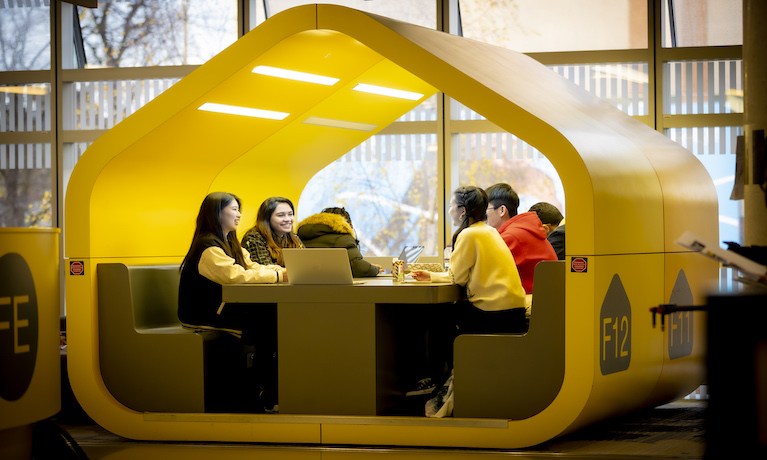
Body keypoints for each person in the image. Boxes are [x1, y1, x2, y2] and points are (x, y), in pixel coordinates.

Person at [409, 186, 527, 397]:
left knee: (435, 318)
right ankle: (449, 376)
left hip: (492, 314)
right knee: (449, 315)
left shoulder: (469, 234)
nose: (449, 211)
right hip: (513, 311)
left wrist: (435, 276)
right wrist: (432, 276)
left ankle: (439, 380)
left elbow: (457, 278)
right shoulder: (489, 231)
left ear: (463, 211)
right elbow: (461, 276)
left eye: (451, 206)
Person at [178, 192, 287, 412]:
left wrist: (282, 271)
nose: (238, 215)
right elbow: (236, 276)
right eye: (234, 209)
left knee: (274, 319)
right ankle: (263, 394)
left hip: (225, 308)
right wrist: (279, 277)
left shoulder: (230, 242)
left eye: (239, 210)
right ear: (217, 213)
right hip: (204, 313)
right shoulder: (208, 246)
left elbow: (252, 267)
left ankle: (267, 391)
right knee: (270, 322)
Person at [484, 183, 557, 294]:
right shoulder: (523, 230)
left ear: (502, 210)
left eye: (485, 209)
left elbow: (486, 274)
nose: (482, 215)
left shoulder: (511, 237)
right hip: (545, 299)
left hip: (531, 302)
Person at [296, 207, 382, 277]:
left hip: (302, 289)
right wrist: (375, 269)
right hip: (335, 291)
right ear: (347, 223)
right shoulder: (343, 237)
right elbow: (359, 268)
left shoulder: (301, 236)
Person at [241, 196, 303, 267]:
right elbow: (265, 271)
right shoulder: (253, 237)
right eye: (280, 215)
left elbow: (306, 262)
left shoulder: (292, 236)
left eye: (290, 214)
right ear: (267, 219)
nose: (288, 219)